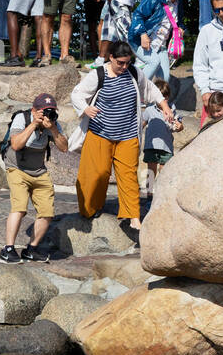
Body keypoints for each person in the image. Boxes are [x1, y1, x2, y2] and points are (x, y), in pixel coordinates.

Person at [70, 41, 177, 235]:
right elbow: (77, 94)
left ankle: (133, 217)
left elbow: (151, 90)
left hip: (127, 135)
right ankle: (90, 208)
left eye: (127, 62)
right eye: (120, 63)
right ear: (111, 57)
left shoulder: (134, 74)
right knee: (98, 173)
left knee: (128, 175)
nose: (124, 66)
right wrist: (85, 108)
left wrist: (165, 107)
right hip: (100, 132)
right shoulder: (98, 75)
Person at [0, 93, 68, 265]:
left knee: (47, 212)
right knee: (20, 207)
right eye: (44, 111)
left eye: (51, 111)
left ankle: (32, 249)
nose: (48, 114)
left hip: (39, 171)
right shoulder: (22, 118)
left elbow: (64, 148)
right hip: (17, 168)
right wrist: (33, 124)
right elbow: (16, 145)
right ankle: (8, 249)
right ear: (34, 110)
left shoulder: (53, 123)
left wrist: (52, 129)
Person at [128, 0, 186, 81]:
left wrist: (181, 28)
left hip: (161, 45)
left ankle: (157, 97)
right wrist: (143, 34)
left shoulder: (178, 3)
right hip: (142, 41)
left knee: (165, 78)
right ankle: (135, 90)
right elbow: (137, 15)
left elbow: (179, 21)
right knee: (153, 62)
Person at [142, 78, 183, 195]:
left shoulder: (172, 110)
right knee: (151, 170)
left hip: (166, 146)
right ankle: (149, 193)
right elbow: (142, 124)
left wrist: (179, 126)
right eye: (161, 97)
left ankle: (161, 192)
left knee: (164, 171)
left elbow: (180, 126)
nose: (163, 100)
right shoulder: (149, 110)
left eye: (166, 97)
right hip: (152, 145)